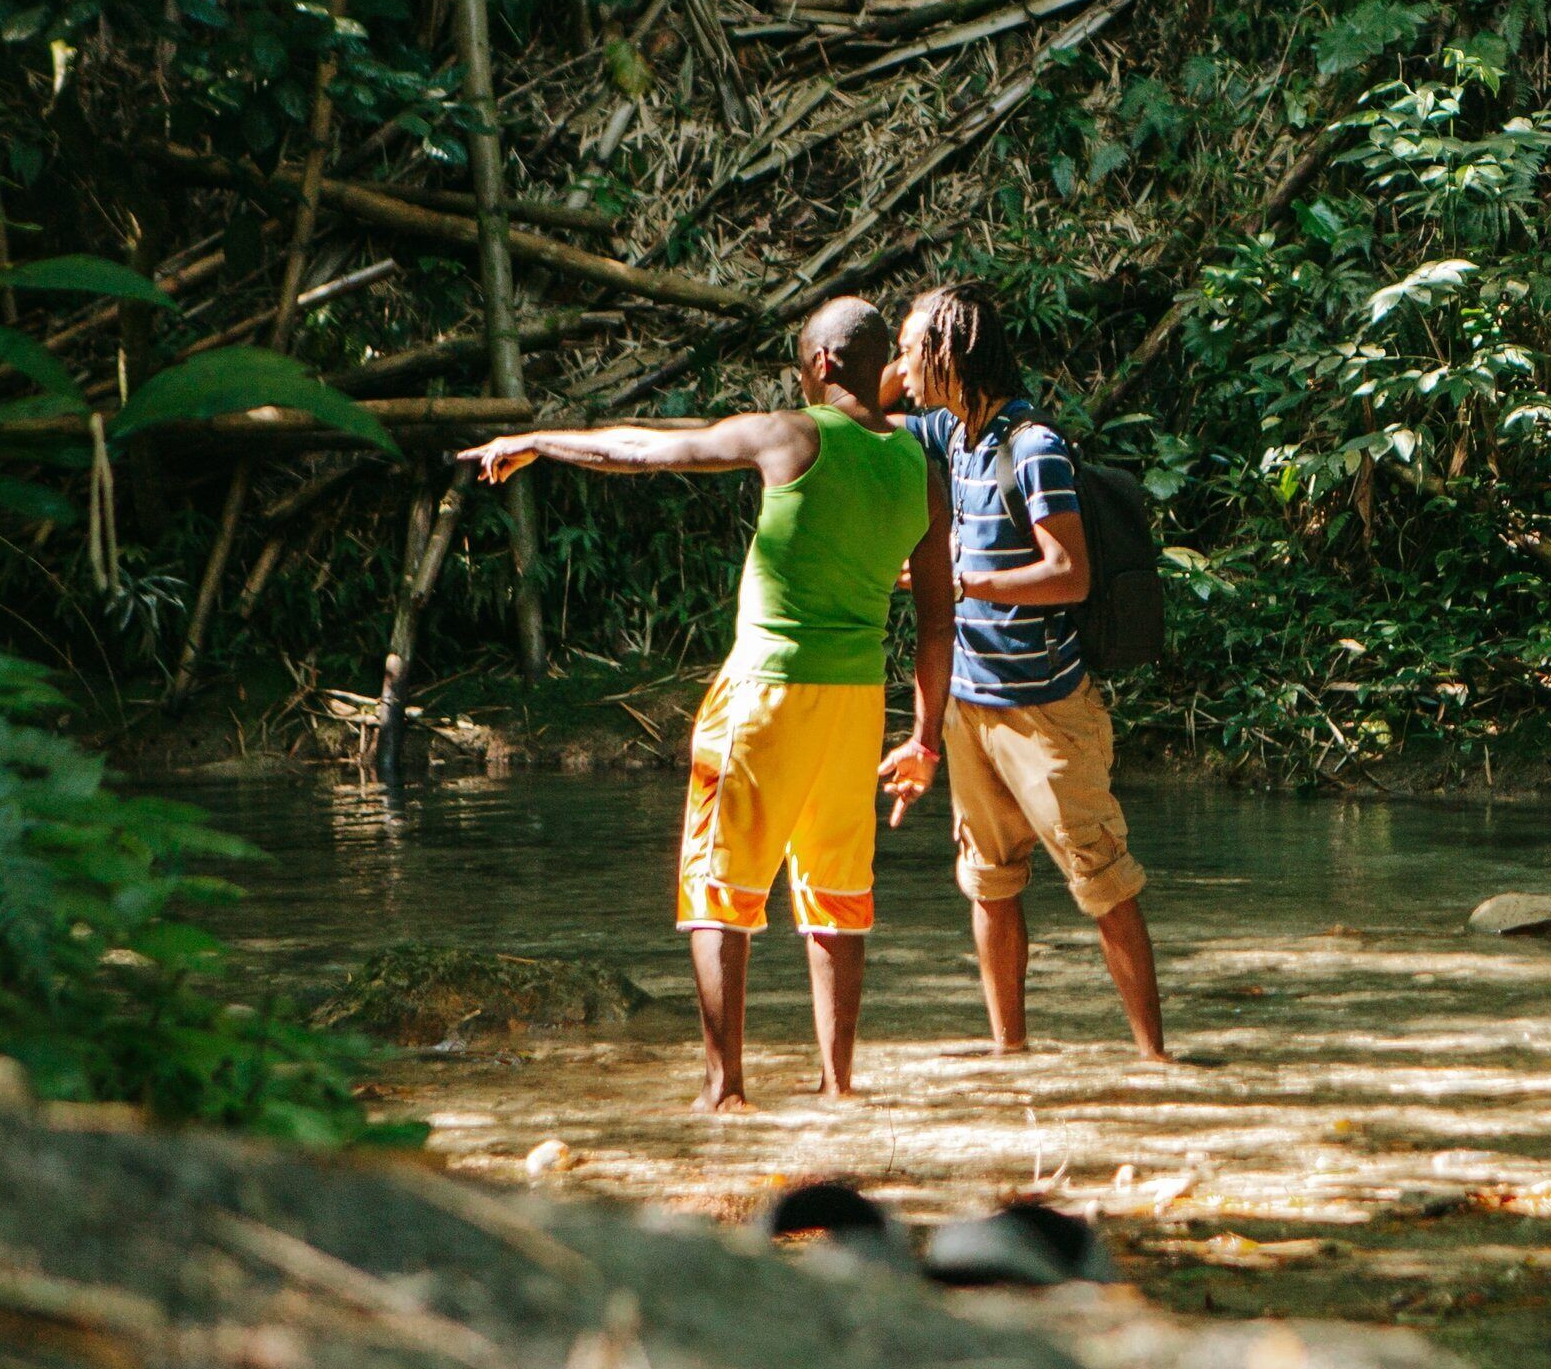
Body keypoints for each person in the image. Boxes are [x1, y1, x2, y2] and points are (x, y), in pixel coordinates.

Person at [454, 297, 928, 1110]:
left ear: (818, 365)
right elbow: (940, 618)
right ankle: (839, 1087)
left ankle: (725, 1091)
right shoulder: (922, 463)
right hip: (857, 699)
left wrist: (538, 439)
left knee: (719, 889)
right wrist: (925, 732)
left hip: (765, 692)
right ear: (876, 363)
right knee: (837, 893)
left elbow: (650, 451)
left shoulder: (793, 434)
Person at [875, 283, 1167, 1061]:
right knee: (988, 881)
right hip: (969, 707)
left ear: (951, 353)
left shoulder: (1032, 448)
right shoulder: (951, 434)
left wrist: (965, 583)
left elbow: (1067, 574)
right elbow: (869, 411)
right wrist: (901, 348)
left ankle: (1156, 1062)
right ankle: (1010, 1060)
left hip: (1044, 710)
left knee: (1103, 883)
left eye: (912, 351)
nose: (901, 367)